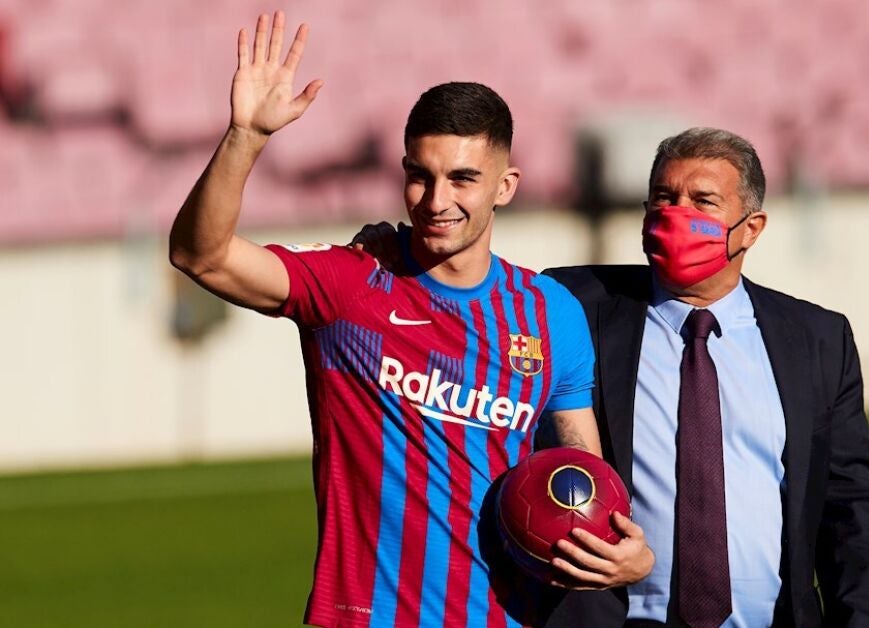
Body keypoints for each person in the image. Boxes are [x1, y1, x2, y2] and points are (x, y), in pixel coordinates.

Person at [168, 11, 651, 627]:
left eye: (463, 179)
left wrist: (625, 553)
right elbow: (201, 256)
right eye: (420, 177)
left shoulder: (550, 314)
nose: (437, 200)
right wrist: (246, 136)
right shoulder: (351, 284)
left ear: (505, 186)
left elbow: (582, 480)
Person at [539, 127, 869, 627]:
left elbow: (853, 508)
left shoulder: (816, 339)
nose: (676, 214)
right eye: (664, 197)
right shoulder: (572, 304)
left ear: (751, 228)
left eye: (702, 201)